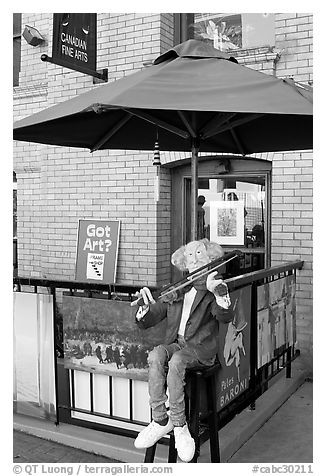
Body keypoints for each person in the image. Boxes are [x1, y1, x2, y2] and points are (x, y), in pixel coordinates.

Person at [132, 238, 233, 462]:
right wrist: (144, 307)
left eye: (199, 254)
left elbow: (225, 317)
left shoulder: (211, 286)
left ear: (211, 259)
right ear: (183, 262)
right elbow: (150, 318)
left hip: (200, 349)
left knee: (177, 360)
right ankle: (160, 419)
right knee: (157, 354)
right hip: (177, 343)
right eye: (189, 255)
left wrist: (219, 293)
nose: (194, 260)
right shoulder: (178, 289)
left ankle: (180, 426)